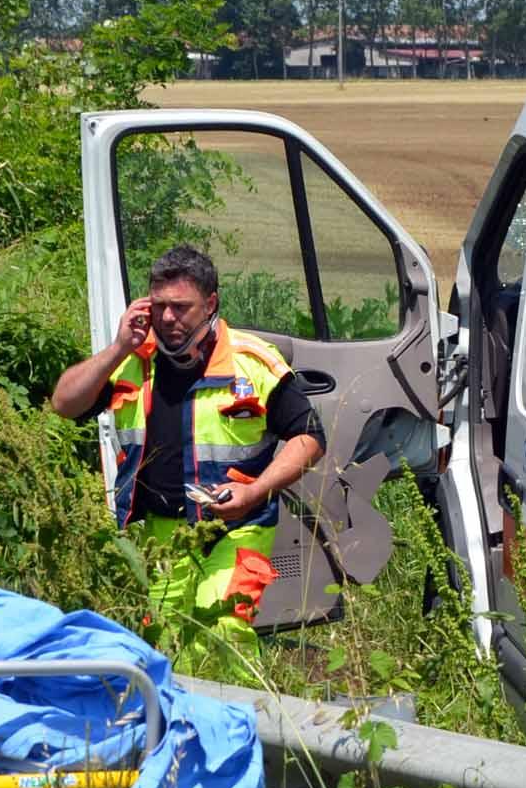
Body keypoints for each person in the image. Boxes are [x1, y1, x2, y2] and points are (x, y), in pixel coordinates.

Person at [51, 245, 325, 622]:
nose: (167, 317)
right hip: (162, 534)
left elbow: (310, 438)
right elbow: (65, 404)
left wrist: (255, 491)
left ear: (210, 303)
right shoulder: (132, 360)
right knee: (165, 641)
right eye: (158, 305)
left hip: (238, 527)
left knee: (223, 629)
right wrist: (117, 347)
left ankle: (241, 685)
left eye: (181, 307)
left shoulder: (252, 362)